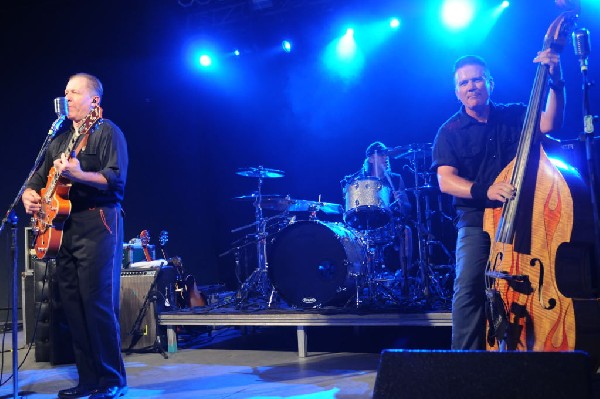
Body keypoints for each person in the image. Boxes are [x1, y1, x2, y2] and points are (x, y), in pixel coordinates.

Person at [431, 51, 565, 350]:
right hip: (477, 219)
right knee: (467, 287)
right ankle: (464, 366)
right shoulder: (449, 132)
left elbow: (552, 123)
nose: (471, 86)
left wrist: (555, 81)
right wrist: (486, 190)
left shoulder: (516, 115)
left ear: (490, 83)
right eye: (464, 82)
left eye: (477, 79)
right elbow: (445, 180)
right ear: (457, 92)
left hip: (525, 216)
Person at [22, 73, 128, 399]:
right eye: (66, 92)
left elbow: (115, 180)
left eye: (74, 92)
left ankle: (111, 380)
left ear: (94, 100)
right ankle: (88, 381)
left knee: (96, 303)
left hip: (98, 223)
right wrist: (29, 194)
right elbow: (39, 177)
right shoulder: (60, 139)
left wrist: (79, 174)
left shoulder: (108, 132)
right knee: (73, 305)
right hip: (62, 229)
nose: (67, 97)